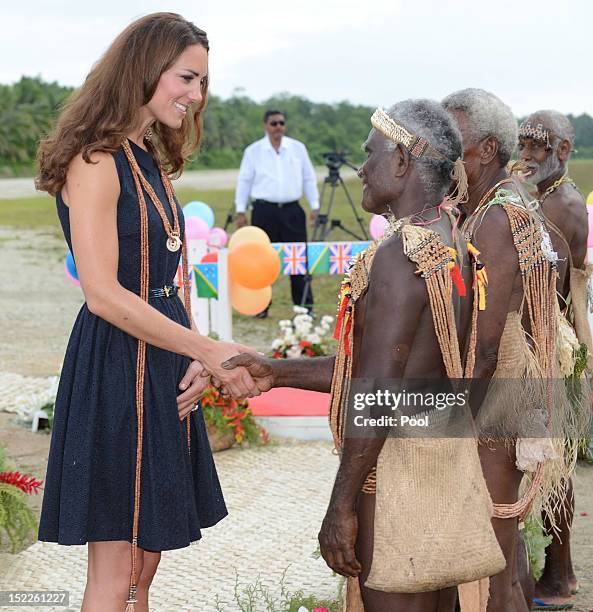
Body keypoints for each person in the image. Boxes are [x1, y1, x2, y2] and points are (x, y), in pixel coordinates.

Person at [224, 99, 505, 612]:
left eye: (370, 153)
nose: (360, 168)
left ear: (401, 161)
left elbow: (377, 390)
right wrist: (276, 371)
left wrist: (342, 505)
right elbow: (391, 368)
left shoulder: (401, 255)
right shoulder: (453, 241)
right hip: (440, 461)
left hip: (398, 475)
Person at [35, 13, 260, 612]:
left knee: (145, 563)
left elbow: (166, 280)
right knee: (115, 568)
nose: (196, 95)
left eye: (204, 83)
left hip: (161, 360)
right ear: (145, 68)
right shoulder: (94, 161)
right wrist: (208, 349)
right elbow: (103, 293)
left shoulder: (149, 158)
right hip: (114, 367)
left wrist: (193, 357)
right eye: (187, 77)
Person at [443, 89, 580, 612]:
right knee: (507, 549)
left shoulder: (507, 213)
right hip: (517, 379)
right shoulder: (507, 203)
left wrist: (451, 414)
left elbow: (489, 338)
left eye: (451, 141)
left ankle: (558, 573)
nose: (442, 154)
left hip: (510, 384)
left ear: (484, 150)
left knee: (499, 552)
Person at [518, 110, 590, 610]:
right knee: (544, 462)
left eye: (538, 147)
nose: (527, 156)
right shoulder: (541, 197)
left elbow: (541, 287)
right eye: (522, 145)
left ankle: (558, 574)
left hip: (548, 350)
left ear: (563, 150)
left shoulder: (562, 204)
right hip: (544, 344)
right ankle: (554, 572)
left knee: (552, 465)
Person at [234, 110, 320, 315]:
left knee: (299, 260)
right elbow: (244, 181)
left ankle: (304, 307)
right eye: (274, 123)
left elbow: (309, 178)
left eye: (281, 123)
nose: (278, 127)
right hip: (264, 211)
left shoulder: (297, 149)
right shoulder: (253, 151)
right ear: (265, 125)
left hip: (292, 210)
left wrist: (314, 204)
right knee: (260, 260)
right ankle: (261, 307)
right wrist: (240, 209)